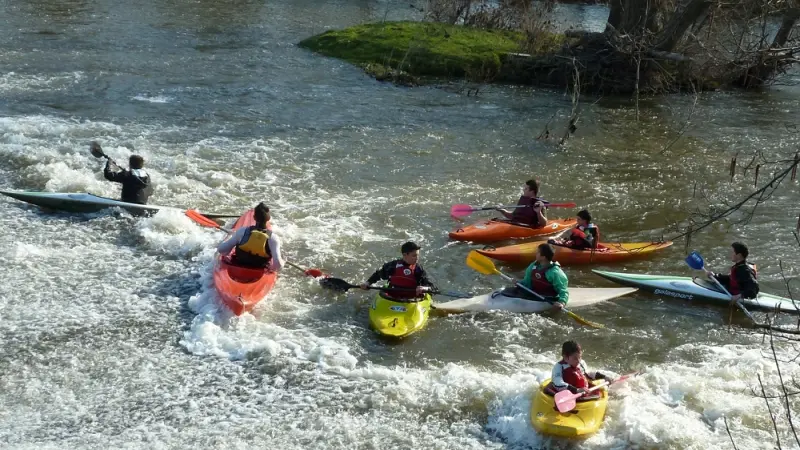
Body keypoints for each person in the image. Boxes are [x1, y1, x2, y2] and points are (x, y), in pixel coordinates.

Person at [217, 202, 284, 271]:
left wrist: (230, 236)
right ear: (268, 218)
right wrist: (281, 262)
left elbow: (221, 250)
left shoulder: (242, 231)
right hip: (259, 269)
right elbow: (278, 265)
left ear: (254, 217)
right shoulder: (273, 238)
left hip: (239, 266)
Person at [360, 241, 435, 300]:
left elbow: (431, 286)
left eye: (418, 255)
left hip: (412, 299)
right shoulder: (393, 266)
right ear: (405, 255)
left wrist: (425, 288)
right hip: (392, 298)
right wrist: (368, 283)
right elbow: (378, 274)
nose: (417, 258)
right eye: (414, 255)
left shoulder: (418, 269)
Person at [507, 243, 569, 309]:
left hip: (548, 298)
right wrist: (519, 283)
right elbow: (527, 281)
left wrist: (562, 302)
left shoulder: (555, 272)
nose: (536, 253)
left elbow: (563, 290)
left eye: (538, 252)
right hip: (534, 293)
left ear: (543, 257)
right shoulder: (534, 265)